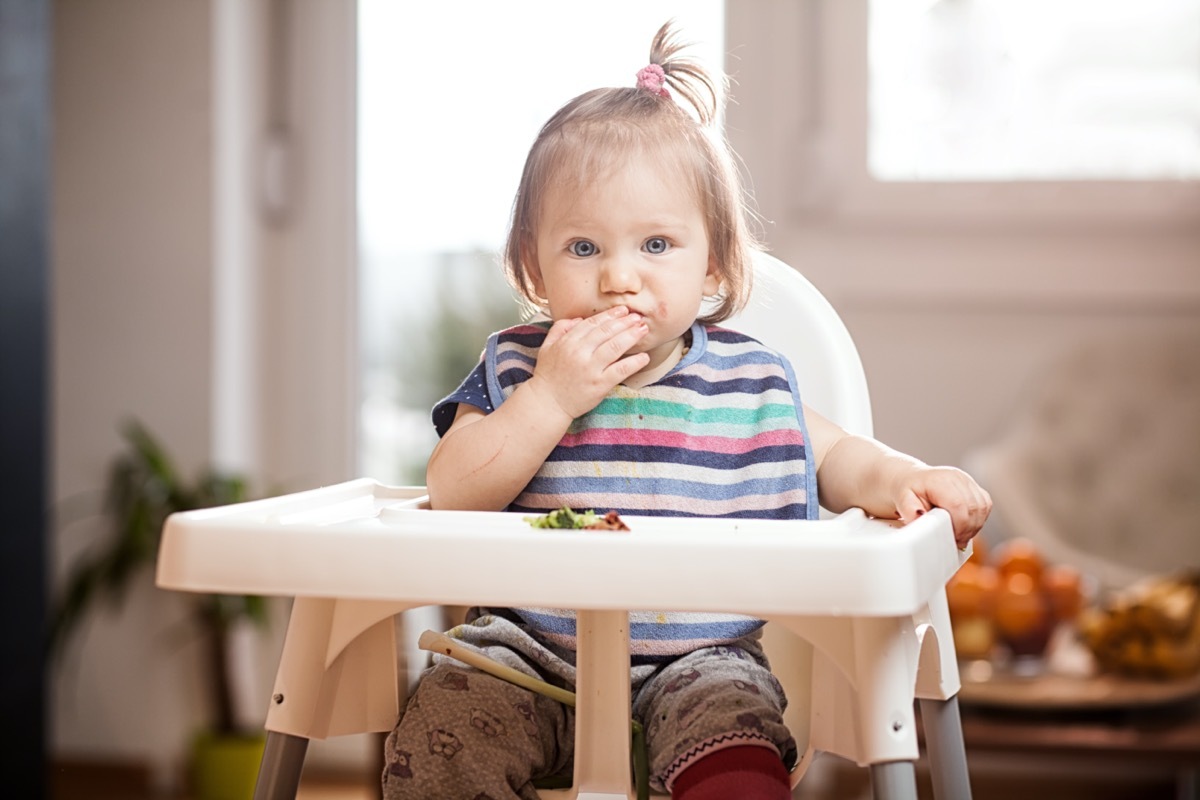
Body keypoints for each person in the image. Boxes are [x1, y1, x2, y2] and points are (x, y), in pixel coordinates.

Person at [383, 20, 992, 800]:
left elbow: (837, 459)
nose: (619, 278)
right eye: (583, 249)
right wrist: (551, 397)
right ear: (533, 262)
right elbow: (454, 493)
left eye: (657, 245)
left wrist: (909, 476)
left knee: (737, 747)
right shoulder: (514, 369)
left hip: (700, 664)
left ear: (715, 259)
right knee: (440, 729)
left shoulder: (749, 383)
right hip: (523, 657)